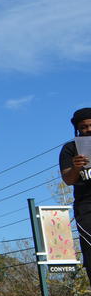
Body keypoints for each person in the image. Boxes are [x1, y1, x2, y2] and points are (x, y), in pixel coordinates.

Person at [60, 108, 91, 284]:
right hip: (87, 208)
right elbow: (68, 179)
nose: (88, 129)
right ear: (78, 129)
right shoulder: (70, 149)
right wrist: (77, 167)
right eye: (84, 127)